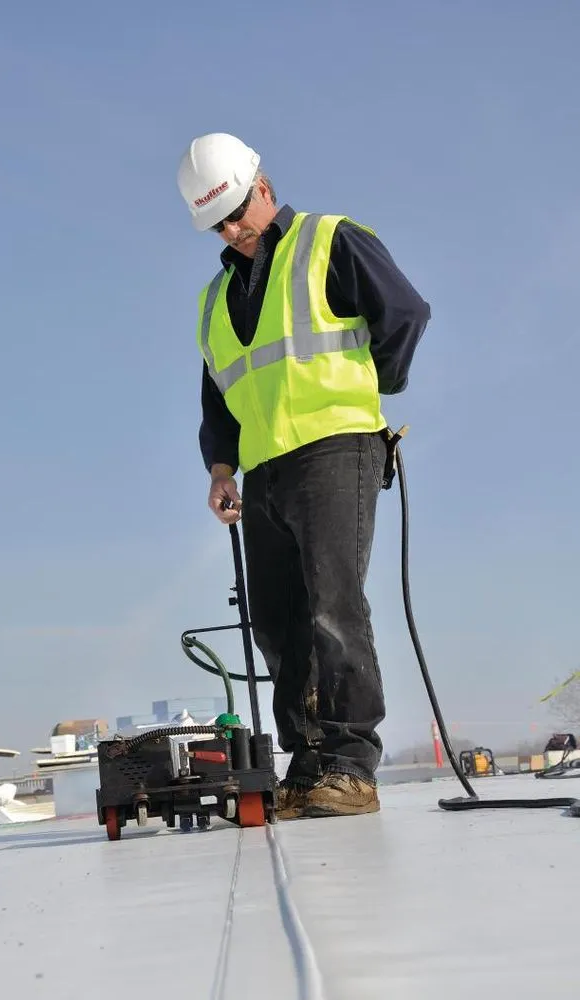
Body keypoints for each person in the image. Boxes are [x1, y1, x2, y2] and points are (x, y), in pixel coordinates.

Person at [177, 133, 430, 819]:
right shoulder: (214, 300)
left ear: (262, 185)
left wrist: (370, 389)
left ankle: (350, 764)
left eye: (237, 212)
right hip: (261, 471)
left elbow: (404, 314)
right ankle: (308, 762)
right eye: (218, 224)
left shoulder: (330, 241)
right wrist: (221, 470)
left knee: (332, 607)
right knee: (278, 621)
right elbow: (217, 398)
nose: (232, 231)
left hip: (333, 450)